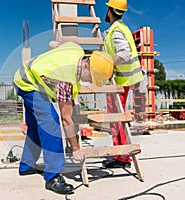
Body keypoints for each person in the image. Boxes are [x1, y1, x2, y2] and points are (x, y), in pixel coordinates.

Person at [13, 42, 114, 195]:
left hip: (23, 75)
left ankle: (26, 165)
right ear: (86, 66)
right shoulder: (66, 78)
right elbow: (66, 119)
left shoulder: (75, 49)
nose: (90, 82)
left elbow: (54, 44)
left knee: (35, 127)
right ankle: (53, 176)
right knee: (51, 124)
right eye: (92, 78)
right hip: (28, 83)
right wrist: (76, 149)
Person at [102, 0, 144, 168]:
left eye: (107, 9)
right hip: (122, 81)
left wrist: (109, 64)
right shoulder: (120, 28)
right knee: (117, 118)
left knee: (116, 119)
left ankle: (122, 157)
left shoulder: (116, 30)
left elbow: (124, 53)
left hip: (119, 81)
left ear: (110, 11)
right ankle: (121, 155)